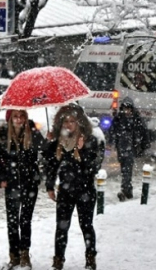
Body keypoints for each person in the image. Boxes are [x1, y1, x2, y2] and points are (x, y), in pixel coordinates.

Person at [43, 104, 103, 270]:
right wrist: (48, 144)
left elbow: (93, 168)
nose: (68, 124)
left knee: (86, 225)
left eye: (72, 121)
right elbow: (51, 164)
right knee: (61, 227)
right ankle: (58, 260)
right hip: (65, 191)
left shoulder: (90, 140)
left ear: (79, 122)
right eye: (65, 121)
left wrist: (82, 151)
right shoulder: (59, 142)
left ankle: (90, 258)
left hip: (85, 190)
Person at [0, 109, 47, 270]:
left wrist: (49, 141)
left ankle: (25, 253)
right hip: (11, 184)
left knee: (25, 220)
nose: (19, 120)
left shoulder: (32, 131)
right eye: (15, 117)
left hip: (29, 183)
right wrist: (0, 178)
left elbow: (45, 150)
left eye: (22, 116)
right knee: (12, 221)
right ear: (10, 118)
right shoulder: (3, 134)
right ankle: (14, 255)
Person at [109, 97, 151, 202]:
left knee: (127, 169)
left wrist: (144, 145)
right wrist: (111, 141)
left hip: (131, 148)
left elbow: (144, 132)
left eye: (128, 109)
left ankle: (125, 189)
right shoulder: (119, 118)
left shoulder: (136, 119)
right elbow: (112, 131)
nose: (126, 111)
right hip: (121, 148)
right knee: (124, 169)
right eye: (125, 108)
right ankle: (128, 190)